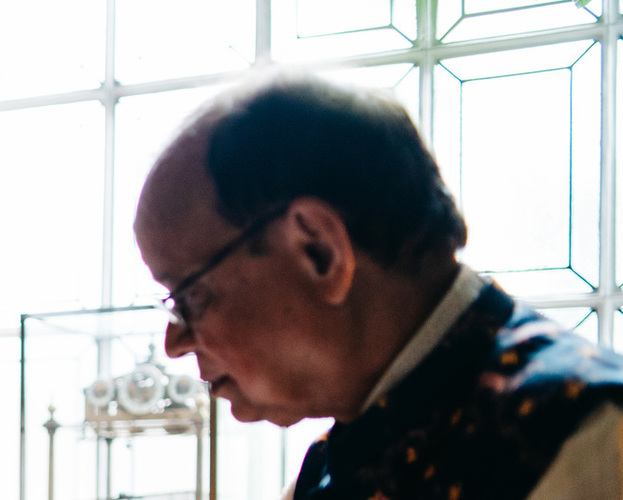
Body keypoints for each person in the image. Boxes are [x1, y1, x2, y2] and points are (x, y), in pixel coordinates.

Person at [134, 73, 623, 499]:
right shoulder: (337, 457)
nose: (174, 343)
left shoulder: (592, 439)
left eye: (189, 295)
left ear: (320, 251)